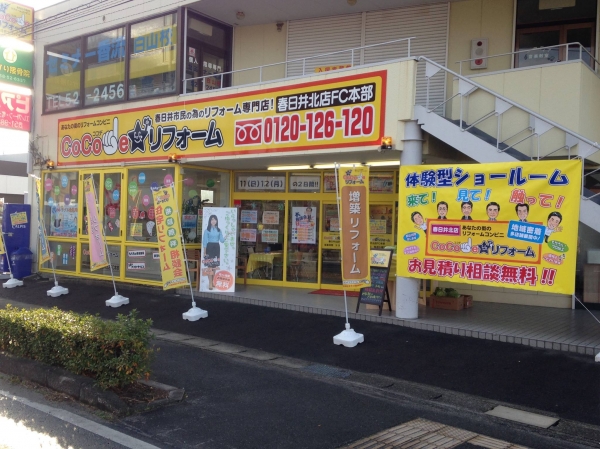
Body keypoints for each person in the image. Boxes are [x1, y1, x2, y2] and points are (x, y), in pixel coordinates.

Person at [202, 215, 228, 290]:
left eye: (215, 219)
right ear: (210, 221)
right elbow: (205, 241)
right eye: (212, 219)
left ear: (216, 221)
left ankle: (213, 281)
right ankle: (210, 283)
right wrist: (204, 251)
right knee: (209, 266)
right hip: (209, 247)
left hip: (216, 247)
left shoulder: (219, 230)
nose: (213, 221)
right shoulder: (207, 230)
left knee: (215, 266)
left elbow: (222, 240)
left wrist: (227, 235)